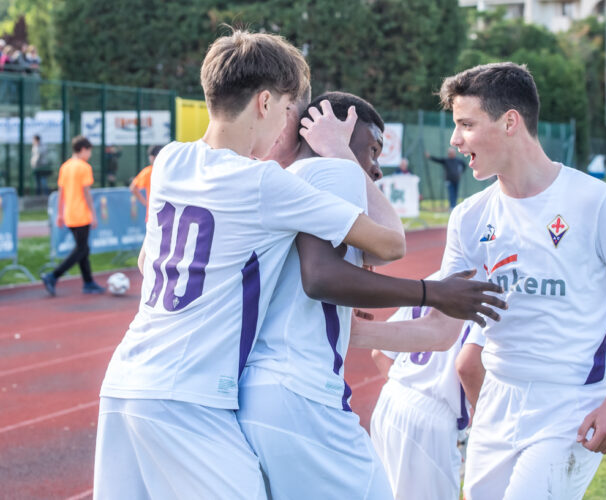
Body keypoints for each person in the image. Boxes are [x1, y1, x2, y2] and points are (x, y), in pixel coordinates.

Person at [93, 31, 408, 500]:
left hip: (122, 384)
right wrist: (343, 156)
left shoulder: (171, 161)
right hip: (190, 396)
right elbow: (388, 243)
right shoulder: (265, 185)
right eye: (287, 110)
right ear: (265, 102)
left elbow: (148, 257)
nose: (288, 124)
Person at [237, 92, 506, 500]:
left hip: (282, 387)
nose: (377, 169)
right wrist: (431, 293)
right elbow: (379, 248)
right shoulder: (325, 175)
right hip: (298, 390)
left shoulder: (291, 179)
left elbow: (377, 255)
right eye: (373, 150)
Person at [438, 62, 606, 499]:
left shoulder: (593, 201)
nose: (455, 140)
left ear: (510, 122)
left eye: (466, 125)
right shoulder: (469, 217)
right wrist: (361, 329)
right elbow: (441, 323)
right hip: (495, 404)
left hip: (570, 404)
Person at [368, 272, 486, 500]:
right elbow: (468, 366)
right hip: (431, 417)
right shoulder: (489, 290)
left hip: (390, 400)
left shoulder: (436, 278)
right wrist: (489, 424)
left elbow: (380, 353)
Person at [41, 135, 104, 296]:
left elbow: (60, 192)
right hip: (81, 214)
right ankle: (53, 275)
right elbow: (86, 193)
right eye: (89, 151)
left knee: (83, 248)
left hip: (69, 214)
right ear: (83, 149)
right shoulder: (84, 167)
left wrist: (60, 213)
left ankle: (88, 282)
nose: (89, 155)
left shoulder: (65, 166)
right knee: (81, 249)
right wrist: (93, 214)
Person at [129, 144, 162, 220]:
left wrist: (146, 203)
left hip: (153, 214)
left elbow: (133, 188)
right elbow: (133, 188)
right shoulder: (168, 171)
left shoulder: (148, 172)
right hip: (165, 216)